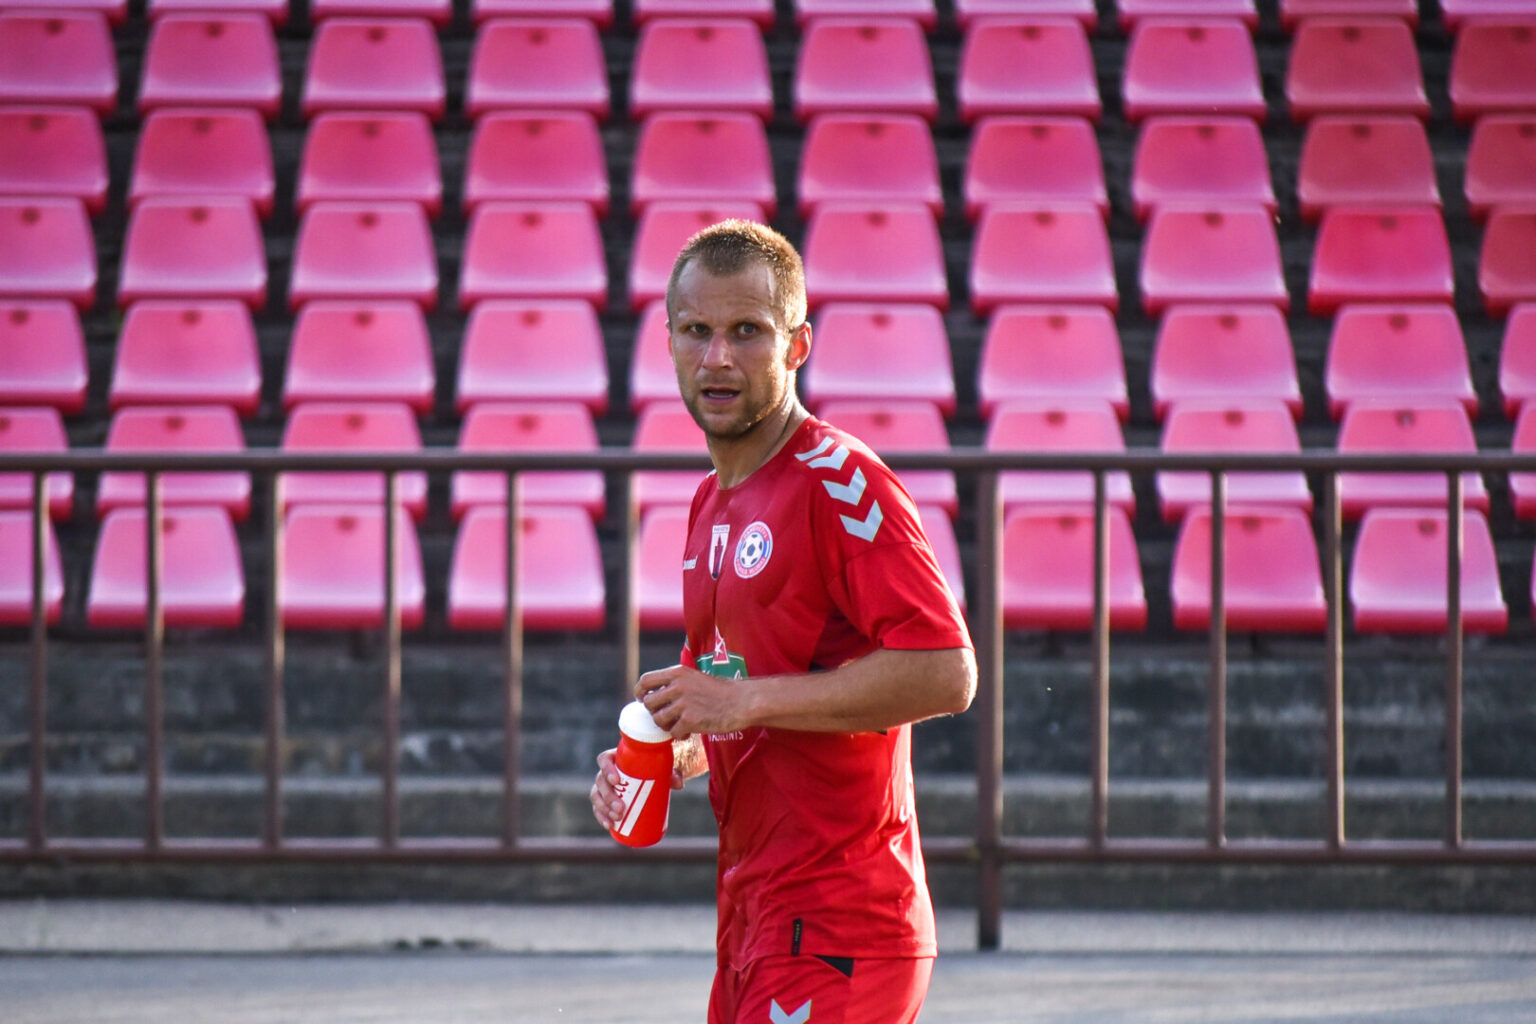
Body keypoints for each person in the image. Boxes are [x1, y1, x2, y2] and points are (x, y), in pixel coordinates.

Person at [591, 220, 976, 1024]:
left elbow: (945, 669)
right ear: (667, 342)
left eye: (747, 332)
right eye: (697, 331)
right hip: (755, 918)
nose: (718, 357)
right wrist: (671, 752)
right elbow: (736, 690)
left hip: (841, 919)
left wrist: (744, 703)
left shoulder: (843, 482)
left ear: (798, 345)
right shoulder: (708, 500)